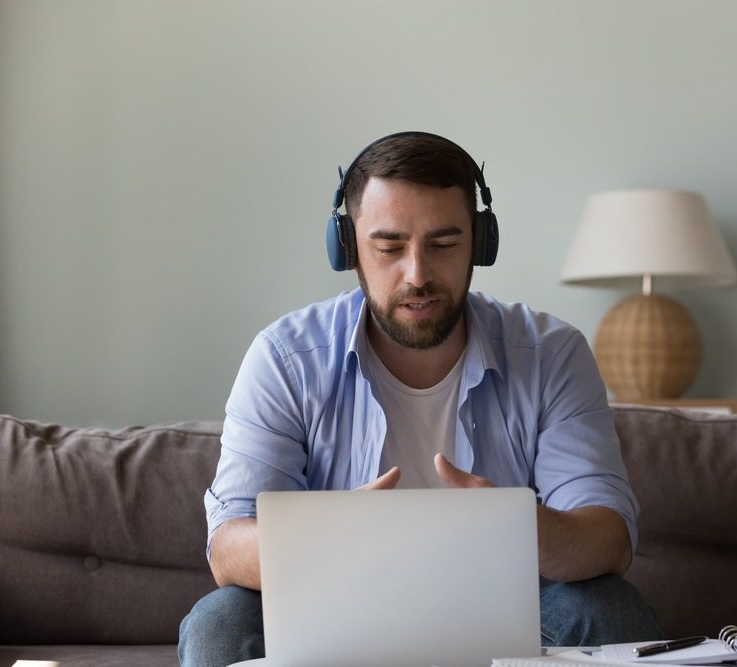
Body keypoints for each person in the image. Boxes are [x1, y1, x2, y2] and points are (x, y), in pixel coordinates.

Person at [178, 131, 661, 666]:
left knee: (612, 612)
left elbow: (609, 540)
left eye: (444, 244)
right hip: (332, 610)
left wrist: (517, 530)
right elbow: (228, 549)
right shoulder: (285, 359)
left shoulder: (551, 353)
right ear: (348, 248)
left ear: (480, 242)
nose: (418, 274)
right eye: (388, 248)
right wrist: (335, 537)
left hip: (513, 621)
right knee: (218, 623)